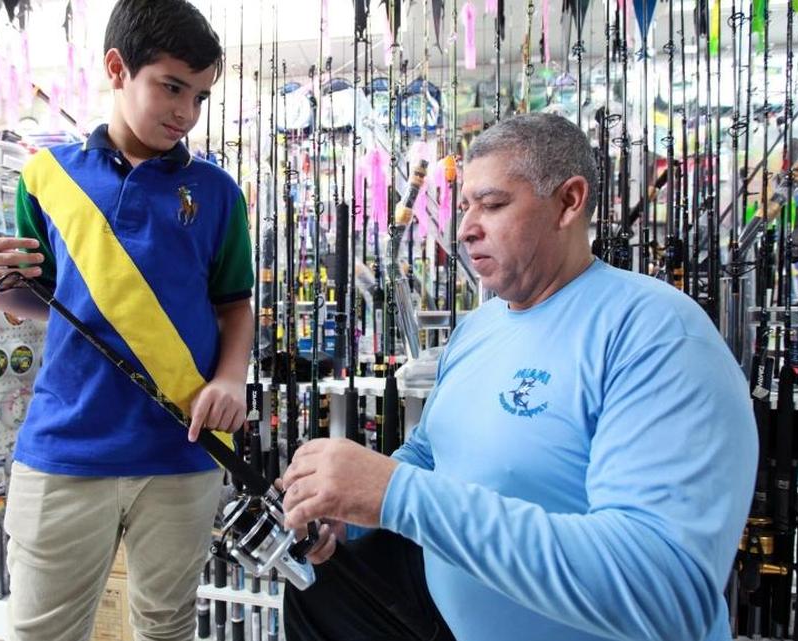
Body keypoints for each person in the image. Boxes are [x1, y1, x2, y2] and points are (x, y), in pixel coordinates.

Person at [281, 113, 757, 641]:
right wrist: (351, 505)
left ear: (569, 202)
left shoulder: (659, 336)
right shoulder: (478, 329)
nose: (465, 228)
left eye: (493, 204)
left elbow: (664, 594)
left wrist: (396, 494)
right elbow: (431, 456)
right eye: (466, 207)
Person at [0, 2, 253, 639]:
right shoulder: (46, 176)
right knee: (43, 631)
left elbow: (234, 303)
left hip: (183, 449)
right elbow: (45, 297)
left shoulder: (219, 191)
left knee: (168, 626)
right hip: (64, 447)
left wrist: (230, 378)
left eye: (200, 96)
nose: (186, 113)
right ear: (118, 67)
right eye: (171, 87)